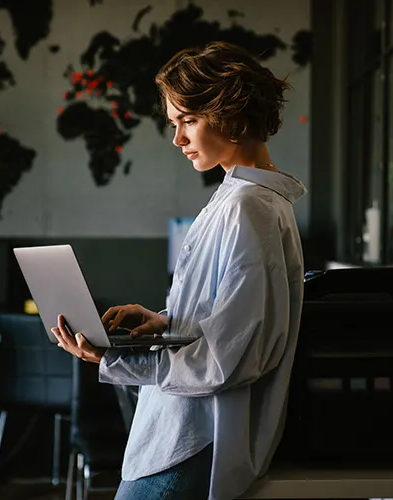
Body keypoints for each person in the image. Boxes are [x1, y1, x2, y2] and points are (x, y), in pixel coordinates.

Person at [51, 41, 307, 500]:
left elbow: (233, 356)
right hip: (180, 430)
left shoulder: (252, 209)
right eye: (175, 123)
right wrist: (164, 322)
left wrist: (115, 357)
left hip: (193, 438)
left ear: (233, 112)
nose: (178, 139)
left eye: (188, 120)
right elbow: (228, 317)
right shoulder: (236, 199)